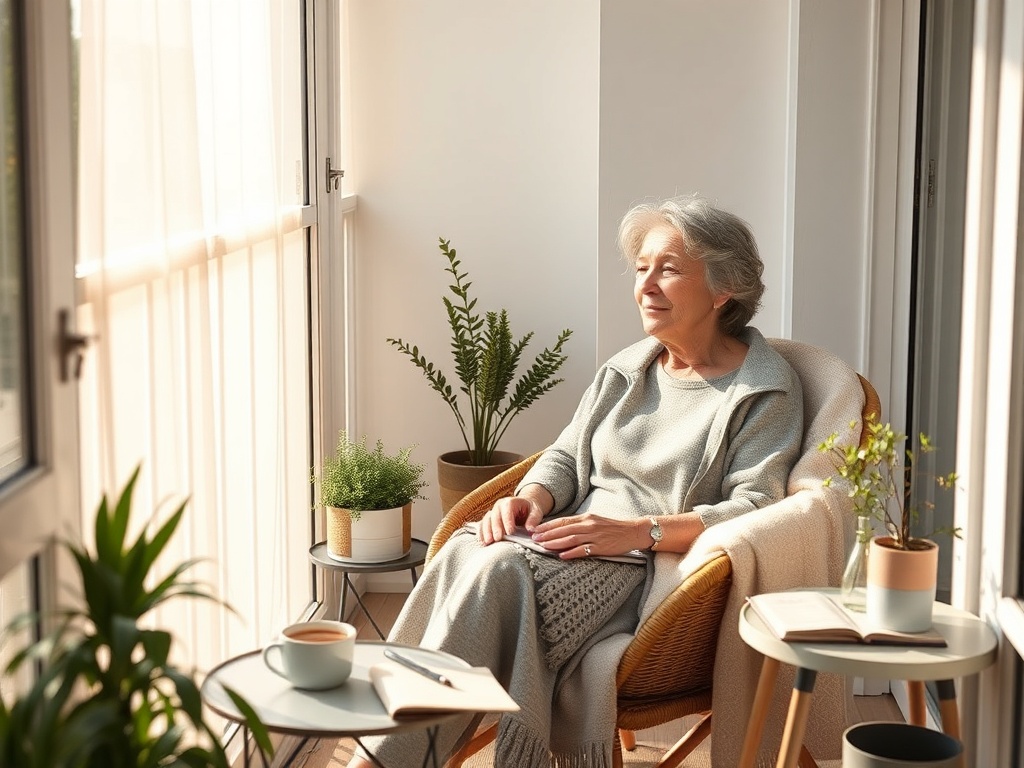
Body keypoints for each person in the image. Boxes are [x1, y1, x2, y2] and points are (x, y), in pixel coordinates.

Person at [349, 193, 804, 768]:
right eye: (641, 268)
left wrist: (638, 531)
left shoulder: (765, 389)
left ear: (723, 289)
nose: (646, 285)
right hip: (562, 538)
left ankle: (378, 760)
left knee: (499, 571)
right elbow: (566, 454)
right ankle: (389, 744)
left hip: (645, 568)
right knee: (470, 549)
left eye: (668, 268)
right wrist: (527, 498)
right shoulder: (628, 369)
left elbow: (756, 507)